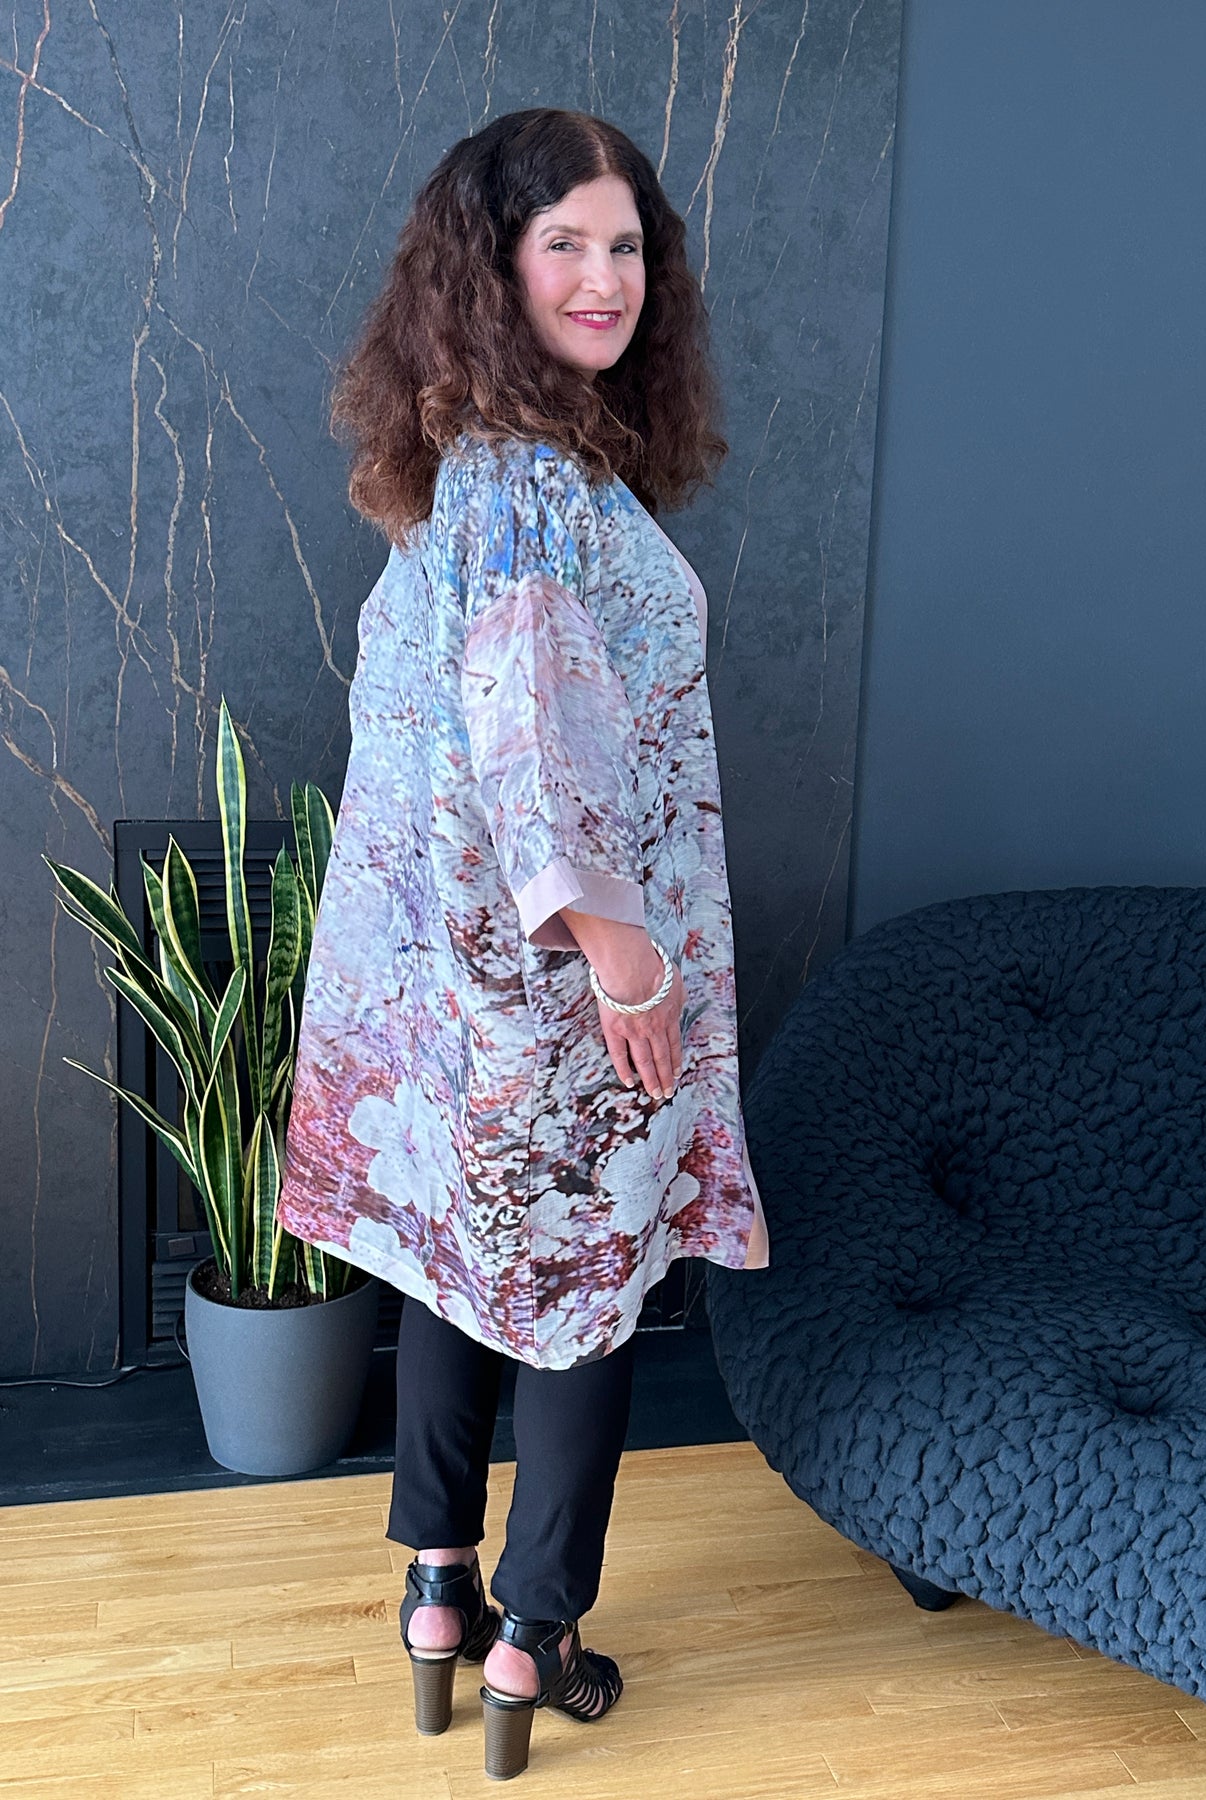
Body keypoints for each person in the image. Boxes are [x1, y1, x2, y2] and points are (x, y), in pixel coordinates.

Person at [276, 105, 769, 1781]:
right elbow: (533, 741)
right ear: (489, 264)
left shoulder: (467, 467)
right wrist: (628, 967)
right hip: (567, 992)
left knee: (460, 1268)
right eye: (563, 242)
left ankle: (437, 1584)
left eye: (625, 245)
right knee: (583, 1296)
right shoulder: (531, 484)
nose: (604, 277)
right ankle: (535, 1633)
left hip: (450, 994)